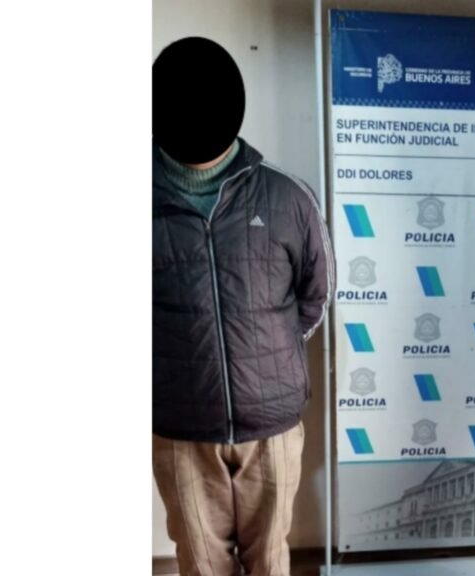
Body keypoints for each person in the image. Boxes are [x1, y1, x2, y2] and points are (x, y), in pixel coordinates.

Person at [152, 36, 333, 576]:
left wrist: (268, 351)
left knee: (270, 561)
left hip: (271, 424)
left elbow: (316, 293)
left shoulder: (286, 197)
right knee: (201, 564)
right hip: (181, 425)